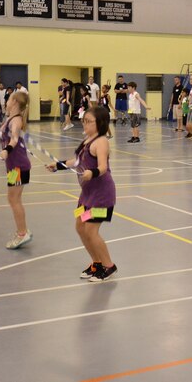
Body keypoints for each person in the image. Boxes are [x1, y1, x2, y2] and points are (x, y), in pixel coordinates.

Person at [47, 106, 118, 282]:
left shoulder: (101, 141)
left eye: (89, 121)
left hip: (101, 197)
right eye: (83, 120)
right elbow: (77, 161)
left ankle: (109, 266)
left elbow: (102, 166)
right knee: (80, 226)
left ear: (100, 123)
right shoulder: (87, 140)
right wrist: (58, 165)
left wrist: (92, 172)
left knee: (91, 231)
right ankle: (97, 263)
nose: (84, 124)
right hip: (86, 196)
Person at [0, 91, 32, 249]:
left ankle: (22, 233)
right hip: (13, 168)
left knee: (14, 199)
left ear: (15, 102)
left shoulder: (16, 121)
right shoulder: (9, 119)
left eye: (9, 99)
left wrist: (6, 150)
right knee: (13, 199)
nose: (6, 101)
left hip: (18, 167)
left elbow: (14, 139)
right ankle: (23, 231)